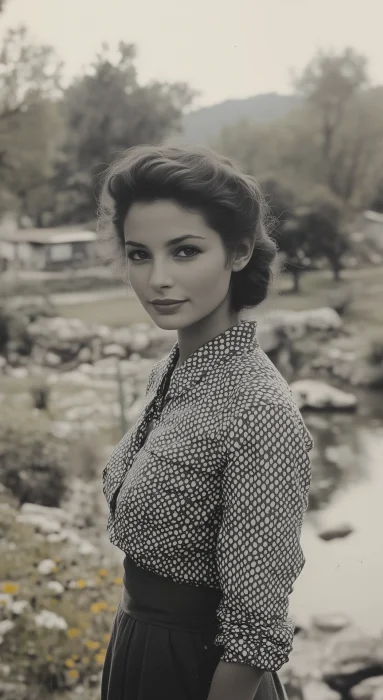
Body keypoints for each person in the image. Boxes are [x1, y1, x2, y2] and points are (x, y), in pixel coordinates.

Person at [98, 143, 314, 700]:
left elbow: (257, 626)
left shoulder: (258, 409)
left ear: (238, 252)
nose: (157, 279)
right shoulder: (170, 371)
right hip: (139, 646)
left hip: (200, 673)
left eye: (185, 251)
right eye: (140, 254)